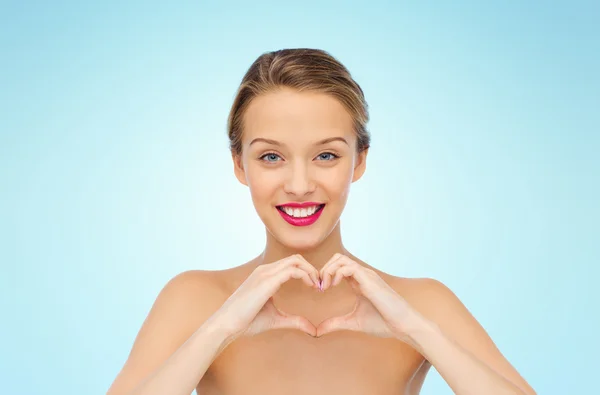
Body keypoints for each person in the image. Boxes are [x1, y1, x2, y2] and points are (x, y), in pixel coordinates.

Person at [106, 48, 537, 395]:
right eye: (271, 156)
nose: (299, 184)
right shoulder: (195, 299)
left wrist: (419, 332)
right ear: (240, 165)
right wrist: (220, 329)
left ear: (359, 161)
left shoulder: (421, 304)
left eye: (326, 155)